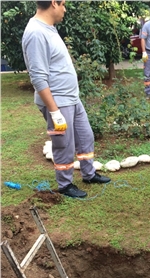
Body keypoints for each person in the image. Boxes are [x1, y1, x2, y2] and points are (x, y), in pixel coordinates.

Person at [22, 0, 111, 199]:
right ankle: (65, 185)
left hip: (71, 98)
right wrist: (54, 111)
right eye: (63, 4)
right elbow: (37, 77)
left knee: (85, 135)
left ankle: (89, 174)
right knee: (64, 144)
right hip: (58, 102)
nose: (65, 8)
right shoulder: (36, 33)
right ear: (53, 3)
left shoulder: (49, 28)